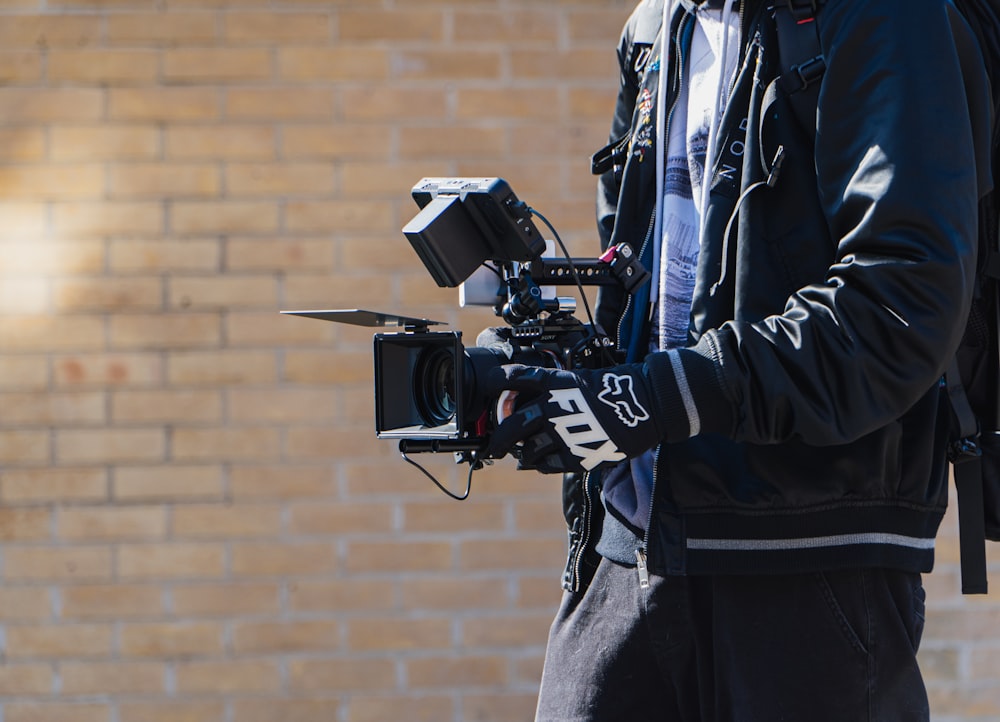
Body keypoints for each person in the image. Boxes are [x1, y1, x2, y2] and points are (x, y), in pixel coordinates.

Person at [482, 0, 994, 719]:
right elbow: (635, 290)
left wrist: (662, 397)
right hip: (626, 550)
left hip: (809, 564)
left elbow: (900, 305)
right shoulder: (655, 27)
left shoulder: (883, 15)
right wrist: (566, 383)